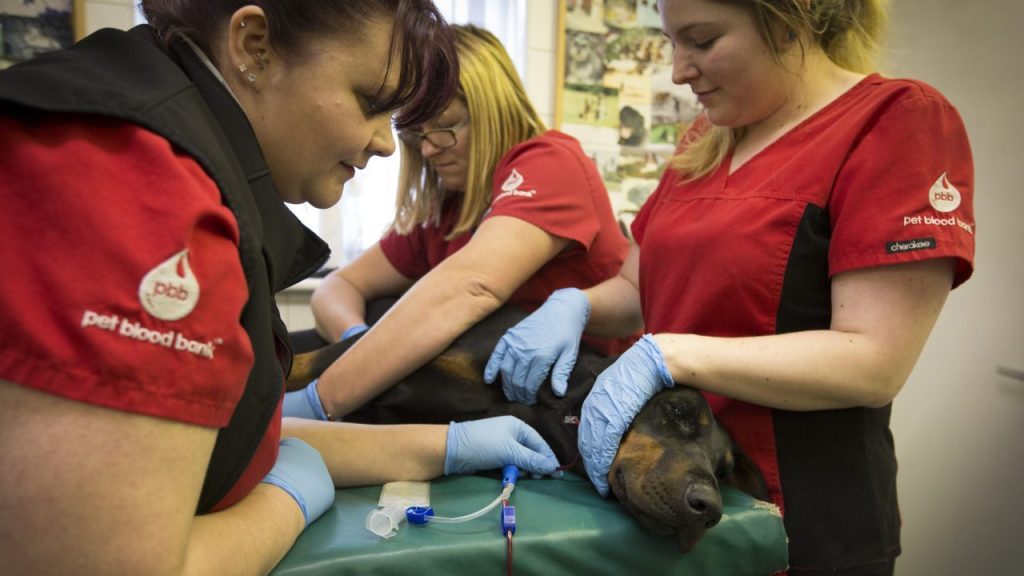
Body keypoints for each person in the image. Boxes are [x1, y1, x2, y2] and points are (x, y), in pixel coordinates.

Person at [0, 3, 559, 574]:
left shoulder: (165, 139)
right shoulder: (137, 191)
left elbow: (211, 445)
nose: (390, 147)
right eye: (371, 102)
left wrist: (445, 448)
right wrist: (283, 502)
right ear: (254, 46)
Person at [486, 0, 975, 574]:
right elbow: (633, 290)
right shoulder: (706, 137)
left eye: (702, 39)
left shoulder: (894, 121)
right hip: (664, 489)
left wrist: (671, 354)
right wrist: (571, 305)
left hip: (800, 516)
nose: (678, 69)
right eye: (671, 42)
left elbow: (874, 360)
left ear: (790, 19)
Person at [288, 24, 631, 420]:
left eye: (446, 127)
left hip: (584, 401)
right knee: (378, 312)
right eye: (418, 135)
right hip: (498, 399)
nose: (430, 148)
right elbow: (339, 285)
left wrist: (323, 401)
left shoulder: (549, 162)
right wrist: (355, 338)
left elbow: (472, 287)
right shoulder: (447, 209)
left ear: (491, 110)